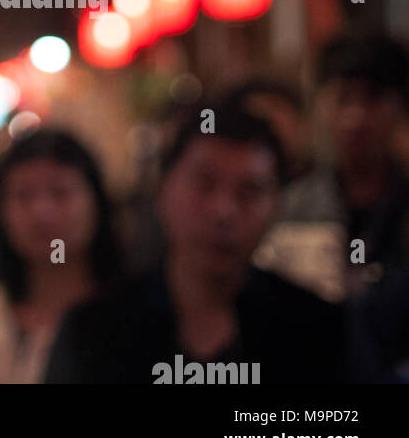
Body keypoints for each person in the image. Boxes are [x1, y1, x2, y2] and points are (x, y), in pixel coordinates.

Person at [45, 101, 345, 384]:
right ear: (162, 190)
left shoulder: (317, 330)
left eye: (250, 191)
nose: (224, 212)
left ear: (277, 205)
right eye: (204, 184)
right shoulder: (95, 331)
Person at [258, 35, 409, 378]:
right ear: (320, 104)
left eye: (374, 99)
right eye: (344, 98)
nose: (356, 117)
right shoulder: (287, 209)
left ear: (399, 106)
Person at [0, 128, 122, 383]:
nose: (41, 213)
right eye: (23, 196)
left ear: (97, 203)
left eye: (60, 192)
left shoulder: (129, 320)